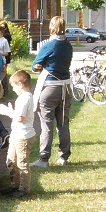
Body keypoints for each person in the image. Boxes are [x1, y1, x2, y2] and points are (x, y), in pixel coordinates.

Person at [31, 16, 73, 168]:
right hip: (66, 87)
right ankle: (64, 157)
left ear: (52, 27)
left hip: (50, 87)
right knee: (63, 123)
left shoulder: (49, 45)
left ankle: (44, 159)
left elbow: (35, 66)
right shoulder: (68, 45)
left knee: (47, 124)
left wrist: (40, 67)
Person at [0, 69, 36, 196]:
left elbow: (20, 117)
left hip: (23, 136)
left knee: (21, 163)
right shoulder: (22, 98)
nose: (13, 89)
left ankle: (23, 190)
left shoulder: (25, 98)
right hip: (16, 134)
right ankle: (15, 186)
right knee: (11, 161)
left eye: (14, 86)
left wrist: (7, 112)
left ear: (20, 84)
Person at [0, 22, 13, 97]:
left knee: (2, 76)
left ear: (0, 32)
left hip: (1, 60)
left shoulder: (4, 41)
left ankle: (5, 91)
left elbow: (7, 53)